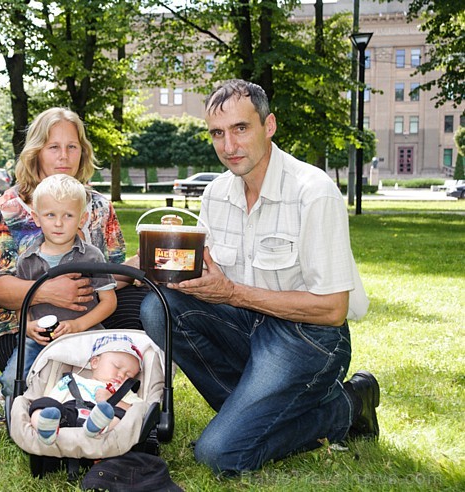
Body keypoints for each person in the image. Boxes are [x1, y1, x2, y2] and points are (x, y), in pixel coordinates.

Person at [139, 79, 379, 476]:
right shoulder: (216, 193)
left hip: (307, 336)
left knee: (220, 455)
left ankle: (348, 403)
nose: (229, 146)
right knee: (157, 306)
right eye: (218, 133)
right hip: (245, 326)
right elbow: (209, 271)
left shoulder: (313, 192)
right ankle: (252, 413)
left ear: (269, 126)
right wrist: (156, 259)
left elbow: (334, 310)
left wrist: (231, 292)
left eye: (240, 129)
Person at [0, 107, 145, 396]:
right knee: (34, 380)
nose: (64, 156)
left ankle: (125, 404)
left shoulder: (98, 207)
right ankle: (49, 404)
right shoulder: (8, 209)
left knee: (144, 304)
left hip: (89, 316)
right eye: (53, 147)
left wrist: (136, 267)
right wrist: (47, 291)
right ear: (36, 152)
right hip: (22, 324)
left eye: (72, 147)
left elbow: (111, 278)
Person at [8, 174, 118, 390]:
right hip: (40, 341)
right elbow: (22, 303)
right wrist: (27, 326)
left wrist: (78, 325)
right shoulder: (27, 260)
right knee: (12, 381)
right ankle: (21, 409)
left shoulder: (91, 257)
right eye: (50, 215)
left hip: (86, 336)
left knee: (92, 382)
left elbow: (109, 301)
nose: (58, 223)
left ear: (82, 219)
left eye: (68, 215)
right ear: (36, 217)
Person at [30, 334, 143, 444]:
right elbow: (53, 399)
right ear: (95, 362)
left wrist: (115, 400)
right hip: (68, 415)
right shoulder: (73, 380)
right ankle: (45, 429)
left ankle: (97, 428)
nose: (121, 375)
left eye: (129, 376)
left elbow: (140, 411)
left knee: (120, 413)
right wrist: (50, 410)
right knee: (42, 403)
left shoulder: (124, 393)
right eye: (117, 367)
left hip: (104, 420)